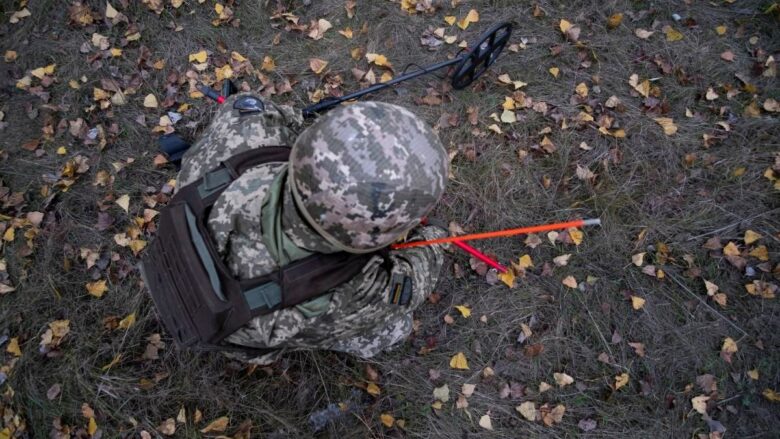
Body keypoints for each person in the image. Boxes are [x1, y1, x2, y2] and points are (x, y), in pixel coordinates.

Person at [145, 92, 449, 365]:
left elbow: (254, 105)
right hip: (241, 330)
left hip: (187, 256)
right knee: (393, 328)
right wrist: (436, 236)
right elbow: (413, 284)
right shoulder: (353, 292)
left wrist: (299, 122)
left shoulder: (244, 135)